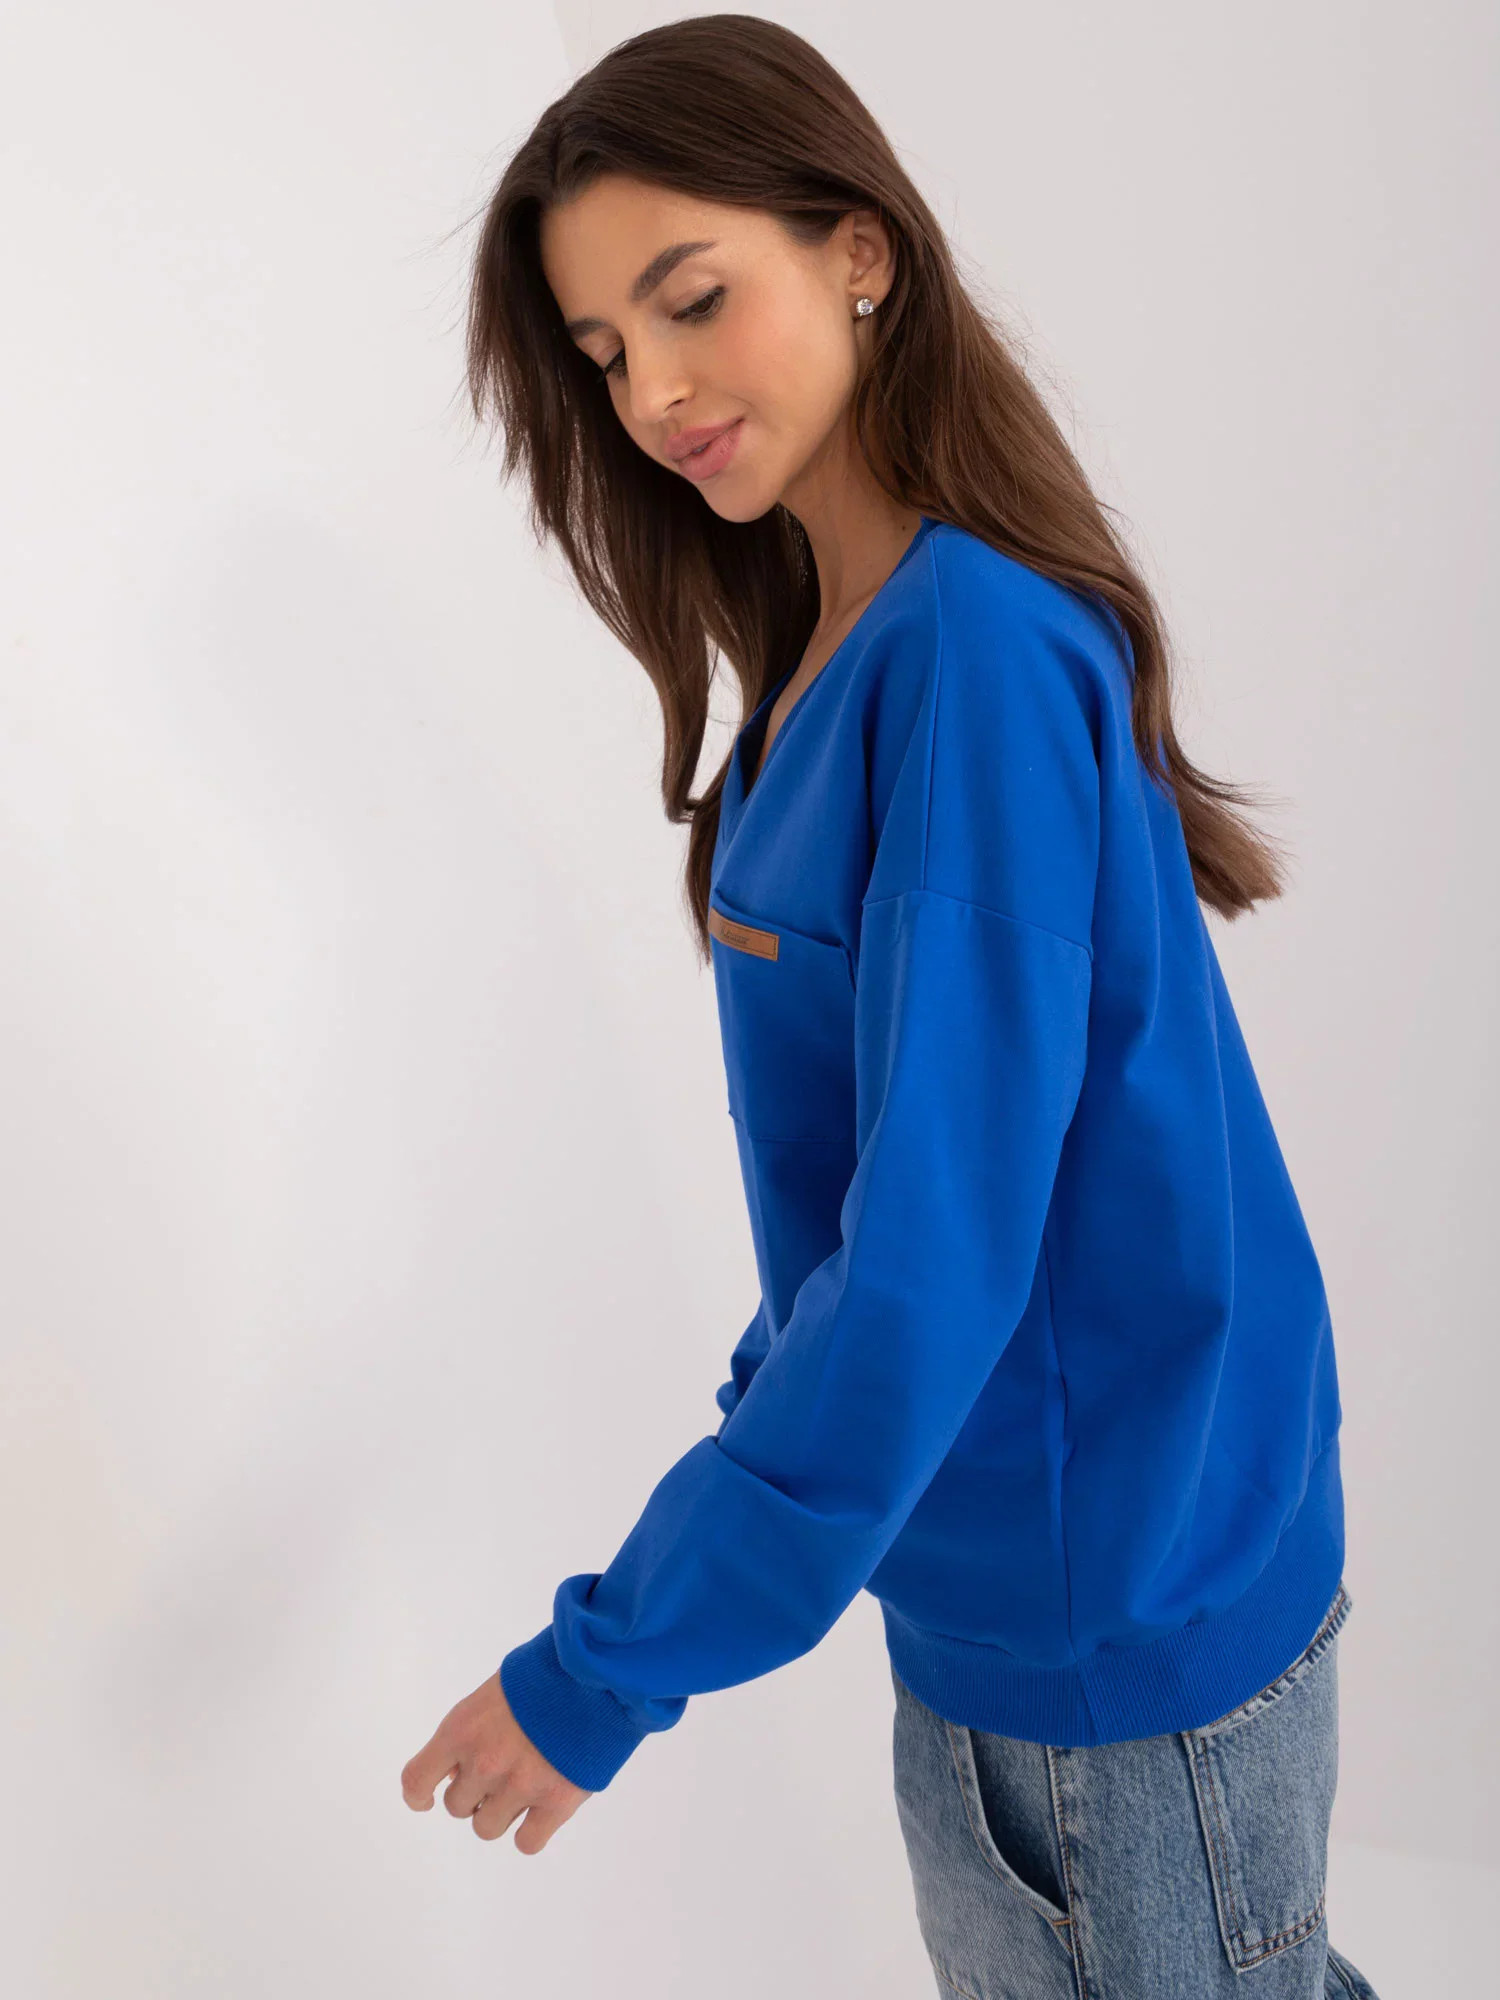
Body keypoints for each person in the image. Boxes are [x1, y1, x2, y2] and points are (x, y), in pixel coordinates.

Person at [399, 16, 1380, 1997]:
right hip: (1012, 1583)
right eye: (603, 350)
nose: (654, 391)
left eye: (693, 301)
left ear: (859, 249)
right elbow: (869, 1214)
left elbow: (931, 1255)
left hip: (1117, 1630)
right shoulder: (837, 654)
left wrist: (612, 1661)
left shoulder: (972, 656)